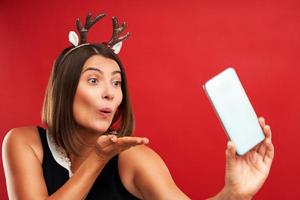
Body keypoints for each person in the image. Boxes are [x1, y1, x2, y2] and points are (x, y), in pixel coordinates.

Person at [2, 12, 274, 200]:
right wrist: (97, 159)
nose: (110, 93)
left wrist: (235, 194)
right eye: (94, 80)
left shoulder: (133, 158)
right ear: (64, 90)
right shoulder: (25, 143)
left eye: (117, 83)